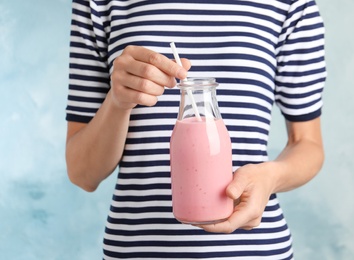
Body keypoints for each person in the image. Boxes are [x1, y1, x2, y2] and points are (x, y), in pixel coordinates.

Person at [65, 0, 326, 259]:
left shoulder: (291, 4)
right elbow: (82, 174)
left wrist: (271, 177)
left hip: (253, 251)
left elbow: (308, 144)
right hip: (141, 251)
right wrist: (117, 101)